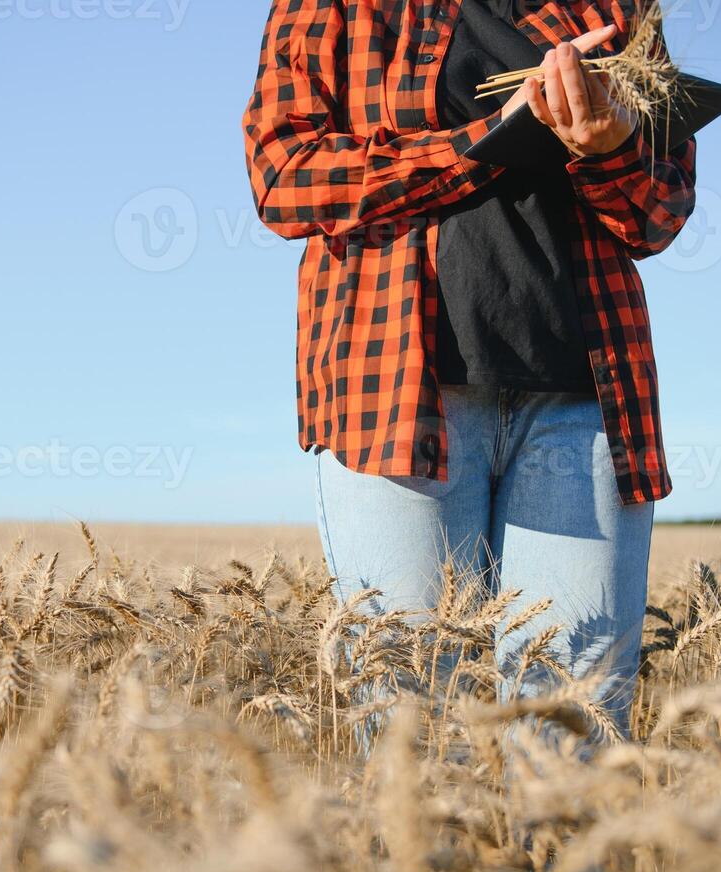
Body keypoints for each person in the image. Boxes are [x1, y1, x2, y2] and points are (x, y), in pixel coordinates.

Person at [242, 0, 696, 743]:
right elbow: (285, 178)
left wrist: (609, 147)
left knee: (570, 732)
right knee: (411, 735)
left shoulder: (618, 10)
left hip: (585, 405)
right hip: (392, 395)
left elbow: (658, 213)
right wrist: (489, 138)